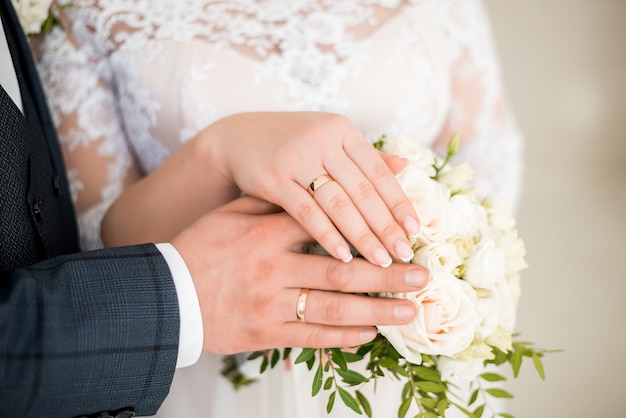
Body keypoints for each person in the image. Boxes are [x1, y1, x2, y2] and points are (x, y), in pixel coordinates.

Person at [33, 0, 525, 417]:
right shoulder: (90, 10)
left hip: (394, 362)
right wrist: (216, 153)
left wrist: (428, 259)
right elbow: (90, 236)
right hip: (199, 358)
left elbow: (488, 155)